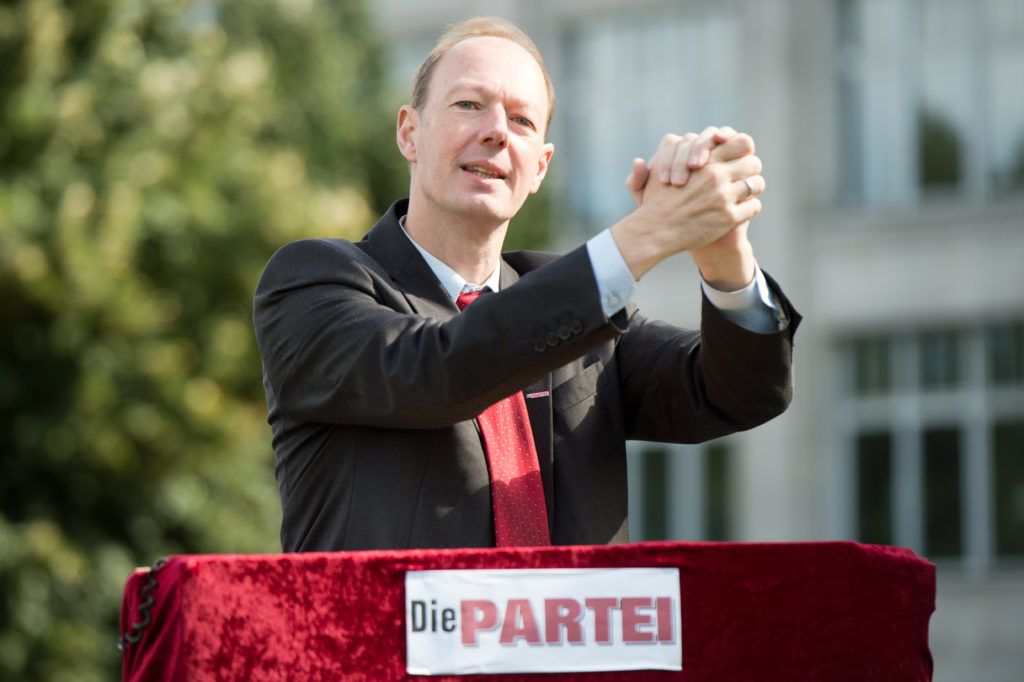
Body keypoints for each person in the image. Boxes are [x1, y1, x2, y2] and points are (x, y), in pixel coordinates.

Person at [253, 17, 800, 552]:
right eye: (469, 105)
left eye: (521, 120)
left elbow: (738, 394)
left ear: (539, 168)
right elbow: (439, 368)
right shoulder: (314, 283)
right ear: (409, 132)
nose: (495, 131)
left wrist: (723, 252)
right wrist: (647, 235)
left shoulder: (581, 313)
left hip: (572, 642)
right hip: (383, 643)